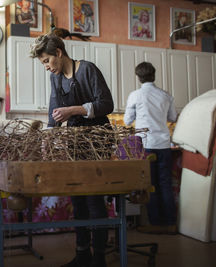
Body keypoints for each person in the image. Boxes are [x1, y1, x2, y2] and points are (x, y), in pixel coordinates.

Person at [30, 34, 114, 267]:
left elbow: (107, 103)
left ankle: (99, 258)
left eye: (47, 61)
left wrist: (73, 110)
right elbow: (54, 109)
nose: (47, 68)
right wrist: (48, 138)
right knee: (77, 199)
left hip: (97, 141)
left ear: (58, 52)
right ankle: (82, 254)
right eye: (43, 64)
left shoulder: (87, 69)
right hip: (75, 141)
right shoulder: (56, 79)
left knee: (94, 200)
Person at [124, 62, 178, 234]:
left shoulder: (135, 95)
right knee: (165, 184)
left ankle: (155, 223)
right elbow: (173, 117)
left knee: (150, 184)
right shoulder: (165, 95)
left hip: (146, 145)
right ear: (154, 75)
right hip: (163, 144)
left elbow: (126, 121)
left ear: (138, 77)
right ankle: (171, 223)